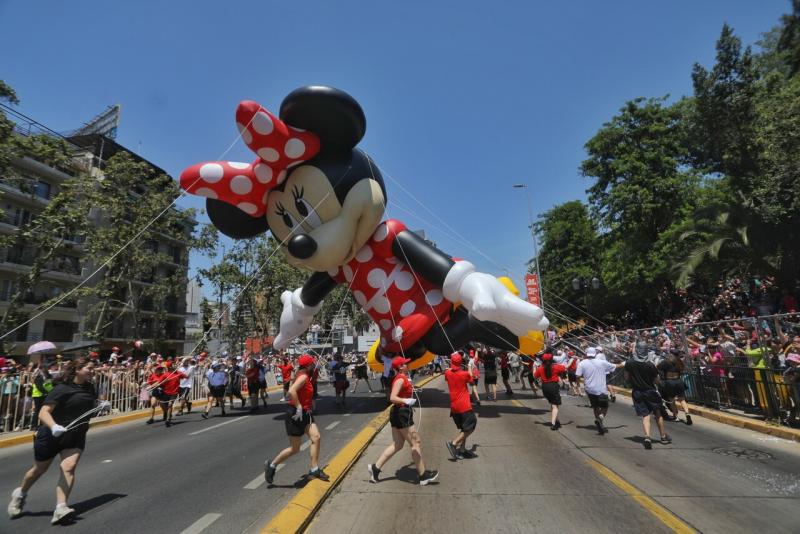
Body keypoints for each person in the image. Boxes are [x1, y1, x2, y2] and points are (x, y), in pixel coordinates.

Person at [7, 358, 108, 524]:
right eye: (89, 368)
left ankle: (61, 508)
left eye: (93, 368)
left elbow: (86, 408)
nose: (92, 370)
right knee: (39, 469)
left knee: (69, 467)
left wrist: (100, 406)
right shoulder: (61, 389)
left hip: (75, 434)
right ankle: (20, 495)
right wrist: (54, 426)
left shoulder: (90, 387)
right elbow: (43, 412)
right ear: (77, 369)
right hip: (51, 434)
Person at [367, 356, 438, 485]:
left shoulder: (403, 377)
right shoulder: (400, 379)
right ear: (400, 367)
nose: (408, 364)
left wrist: (409, 391)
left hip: (398, 413)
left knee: (398, 445)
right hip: (401, 413)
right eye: (405, 363)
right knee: (416, 443)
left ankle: (375, 468)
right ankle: (423, 476)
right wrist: (406, 401)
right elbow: (393, 397)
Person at [265, 355, 329, 484]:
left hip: (306, 413)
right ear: (308, 365)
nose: (314, 365)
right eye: (312, 364)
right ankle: (272, 466)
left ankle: (314, 469)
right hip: (295, 413)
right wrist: (299, 406)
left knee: (316, 437)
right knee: (295, 448)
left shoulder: (303, 374)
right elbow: (291, 391)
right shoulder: (303, 377)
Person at [625, 341, 671, 449]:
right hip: (650, 391)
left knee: (645, 415)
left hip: (637, 391)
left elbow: (626, 378)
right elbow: (656, 380)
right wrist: (661, 384)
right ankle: (663, 436)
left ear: (636, 350)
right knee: (658, 413)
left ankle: (647, 436)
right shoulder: (650, 365)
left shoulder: (630, 363)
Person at [576, 348, 623, 434]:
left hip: (589, 389)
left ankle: (599, 423)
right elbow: (615, 366)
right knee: (605, 407)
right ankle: (600, 418)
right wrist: (624, 363)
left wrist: (578, 385)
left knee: (595, 407)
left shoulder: (582, 363)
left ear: (586, 354)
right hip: (600, 389)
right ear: (595, 354)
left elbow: (578, 376)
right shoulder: (602, 362)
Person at [444, 353, 478, 460]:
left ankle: (462, 450)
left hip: (454, 407)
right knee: (471, 427)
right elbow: (472, 382)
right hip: (464, 406)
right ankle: (453, 443)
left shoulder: (447, 373)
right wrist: (469, 368)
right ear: (461, 362)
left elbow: (448, 373)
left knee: (464, 429)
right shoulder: (464, 374)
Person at [657, 350, 692, 425]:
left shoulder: (666, 361)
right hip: (679, 381)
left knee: (671, 400)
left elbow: (658, 368)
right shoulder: (680, 362)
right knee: (682, 399)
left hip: (670, 382)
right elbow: (681, 371)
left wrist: (662, 379)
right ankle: (687, 413)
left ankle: (675, 416)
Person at [534, 352, 566, 429]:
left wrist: (534, 367)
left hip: (545, 387)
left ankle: (556, 421)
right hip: (553, 386)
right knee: (555, 406)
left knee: (552, 404)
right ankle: (553, 423)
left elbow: (535, 376)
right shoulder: (555, 367)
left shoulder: (541, 368)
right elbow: (564, 368)